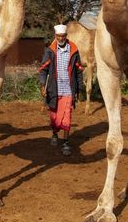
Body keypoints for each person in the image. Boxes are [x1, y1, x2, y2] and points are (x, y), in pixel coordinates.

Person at [38, 24, 84, 156]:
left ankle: (66, 142)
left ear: (66, 36)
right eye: (58, 36)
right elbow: (43, 70)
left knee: (67, 117)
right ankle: (54, 133)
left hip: (69, 89)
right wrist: (42, 85)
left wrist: (79, 88)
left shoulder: (73, 50)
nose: (61, 38)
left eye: (63, 36)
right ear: (55, 36)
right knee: (54, 118)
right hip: (54, 89)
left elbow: (79, 70)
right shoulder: (50, 51)